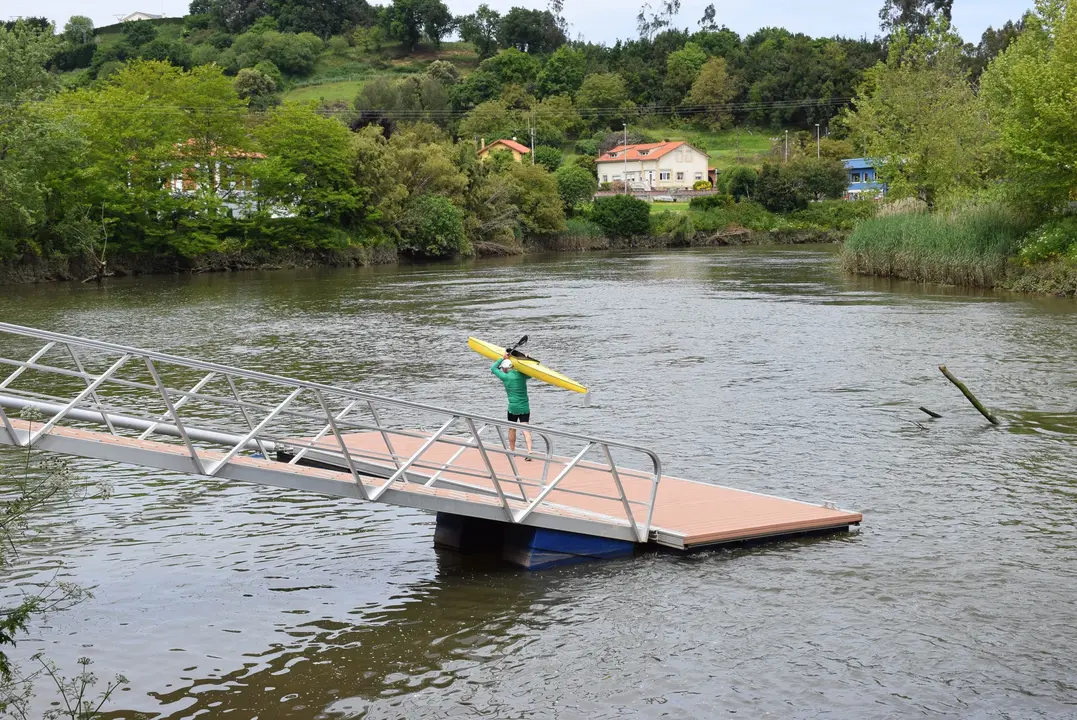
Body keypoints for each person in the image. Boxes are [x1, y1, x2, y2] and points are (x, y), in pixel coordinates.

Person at [491, 352, 532, 459]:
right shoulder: (522, 375)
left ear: (505, 368)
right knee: (525, 428)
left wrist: (502, 358)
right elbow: (531, 373)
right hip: (524, 407)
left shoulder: (505, 377)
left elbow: (493, 368)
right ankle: (529, 452)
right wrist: (526, 359)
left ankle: (512, 451)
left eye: (503, 368)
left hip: (513, 408)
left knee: (512, 429)